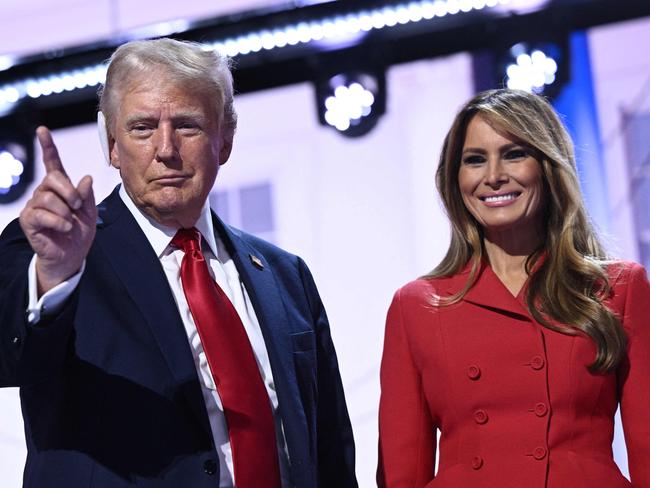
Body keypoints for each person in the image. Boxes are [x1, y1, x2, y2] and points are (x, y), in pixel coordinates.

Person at [0, 38, 357, 488]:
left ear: (225, 140)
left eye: (188, 126)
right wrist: (54, 274)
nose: (166, 149)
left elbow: (331, 453)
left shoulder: (286, 276)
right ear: (112, 145)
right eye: (143, 128)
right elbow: (12, 359)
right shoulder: (55, 251)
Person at [377, 89, 650, 487]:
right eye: (475, 160)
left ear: (548, 165)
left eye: (514, 154)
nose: (493, 176)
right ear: (456, 180)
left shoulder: (617, 288)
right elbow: (402, 472)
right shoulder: (417, 306)